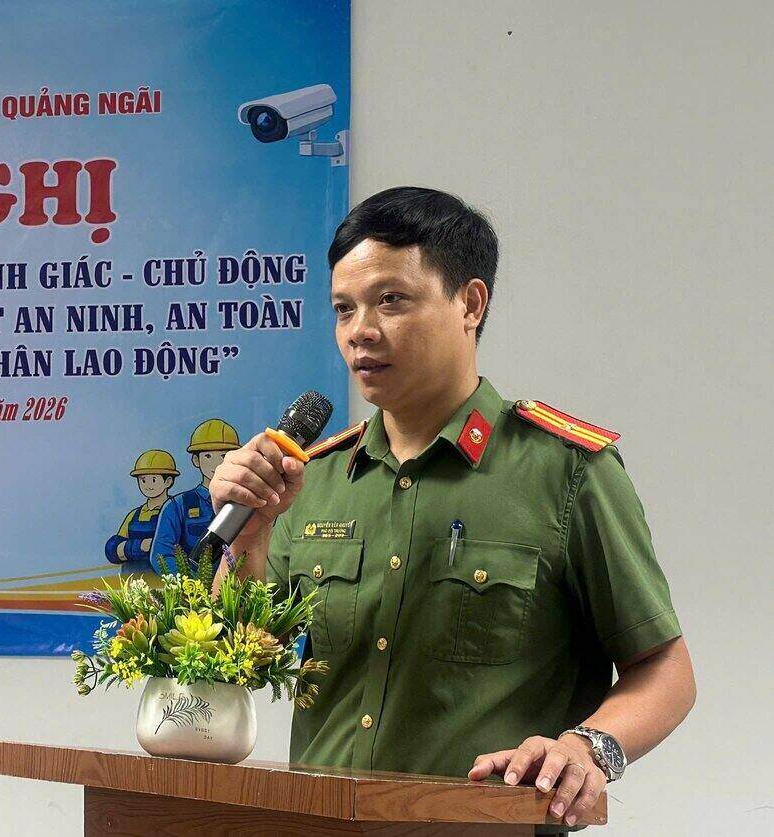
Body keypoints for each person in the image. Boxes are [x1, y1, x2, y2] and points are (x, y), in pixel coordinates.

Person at [211, 187, 695, 833]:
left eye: (392, 300)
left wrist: (586, 748)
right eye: (343, 308)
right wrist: (254, 530)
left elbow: (665, 668)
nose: (361, 330)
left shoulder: (566, 470)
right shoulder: (316, 477)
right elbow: (236, 660)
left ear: (470, 303)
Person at [150, 418, 239, 573]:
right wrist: (194, 584)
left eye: (223, 456)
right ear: (196, 460)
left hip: (238, 592)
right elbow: (161, 556)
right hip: (193, 593)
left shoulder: (244, 503)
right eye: (208, 456)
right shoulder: (177, 506)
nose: (216, 463)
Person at [105, 450, 178, 575]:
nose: (148, 485)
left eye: (154, 480)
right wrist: (140, 546)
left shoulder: (177, 511)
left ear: (168, 481)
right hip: (133, 586)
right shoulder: (134, 515)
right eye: (143, 480)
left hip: (166, 586)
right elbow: (112, 549)